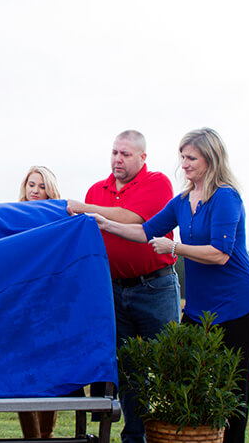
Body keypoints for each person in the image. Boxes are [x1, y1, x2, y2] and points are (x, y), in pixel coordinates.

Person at [90, 128, 249, 443]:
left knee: (234, 388)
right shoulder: (181, 201)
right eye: (182, 157)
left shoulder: (226, 196)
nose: (184, 164)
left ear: (210, 160)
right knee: (186, 380)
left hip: (236, 303)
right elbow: (144, 231)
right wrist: (102, 221)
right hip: (197, 308)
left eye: (191, 158)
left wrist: (175, 248)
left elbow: (220, 254)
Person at [66, 130, 179, 443]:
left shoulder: (157, 182)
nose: (117, 159)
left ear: (142, 157)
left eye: (125, 154)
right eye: (115, 152)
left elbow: (132, 218)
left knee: (166, 363)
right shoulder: (96, 189)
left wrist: (85, 208)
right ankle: (134, 435)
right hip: (113, 290)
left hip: (154, 287)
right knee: (129, 369)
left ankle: (172, 432)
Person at [16, 165, 61, 439]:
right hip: (19, 305)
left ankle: (47, 435)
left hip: (50, 305)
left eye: (42, 186)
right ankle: (31, 437)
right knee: (23, 373)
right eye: (32, 184)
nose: (35, 190)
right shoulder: (13, 216)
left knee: (49, 372)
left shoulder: (59, 218)